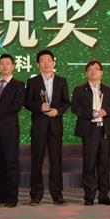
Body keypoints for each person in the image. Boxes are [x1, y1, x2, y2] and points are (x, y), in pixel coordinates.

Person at [24, 49, 70, 205]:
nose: (46, 64)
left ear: (54, 62)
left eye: (49, 60)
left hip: (55, 127)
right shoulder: (33, 82)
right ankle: (35, 195)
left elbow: (66, 102)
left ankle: (57, 195)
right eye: (42, 61)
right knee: (36, 161)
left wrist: (57, 111)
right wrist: (39, 107)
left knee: (56, 161)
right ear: (38, 64)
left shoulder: (61, 81)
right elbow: (27, 103)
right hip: (39, 127)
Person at [71, 60, 110, 206]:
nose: (93, 71)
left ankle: (104, 195)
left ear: (101, 72)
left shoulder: (108, 90)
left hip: (104, 130)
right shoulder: (79, 89)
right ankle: (89, 196)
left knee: (104, 164)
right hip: (89, 129)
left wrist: (106, 111)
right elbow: (75, 108)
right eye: (90, 69)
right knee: (89, 163)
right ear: (86, 73)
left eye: (96, 69)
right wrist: (90, 113)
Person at [0, 54, 24, 208]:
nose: (4, 66)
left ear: (13, 66)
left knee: (11, 163)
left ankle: (12, 196)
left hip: (10, 130)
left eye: (8, 63)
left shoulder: (18, 85)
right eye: (2, 63)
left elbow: (17, 106)